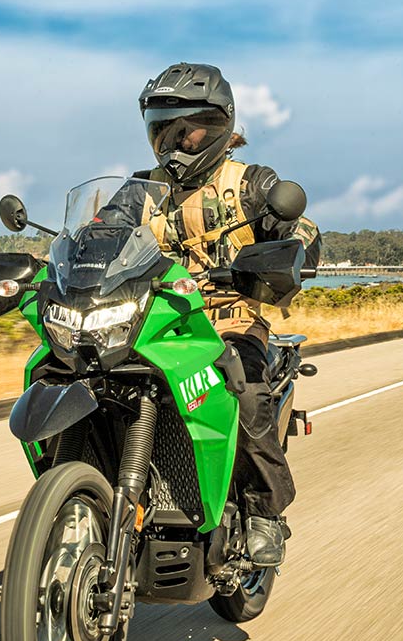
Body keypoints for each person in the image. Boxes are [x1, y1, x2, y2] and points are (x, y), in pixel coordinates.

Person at [135, 62, 321, 567]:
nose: (175, 143)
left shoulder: (251, 184)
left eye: (187, 129)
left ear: (220, 126)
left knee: (244, 391)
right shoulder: (139, 191)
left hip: (230, 318)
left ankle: (264, 512)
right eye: (163, 130)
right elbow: (98, 233)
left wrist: (290, 255)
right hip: (154, 324)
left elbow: (303, 232)